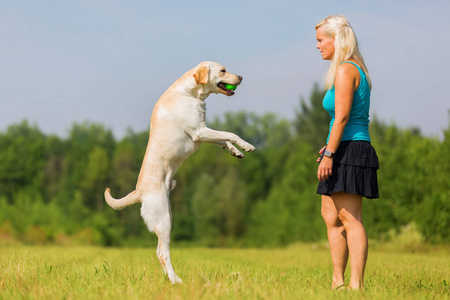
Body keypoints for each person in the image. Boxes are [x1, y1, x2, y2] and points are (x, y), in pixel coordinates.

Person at [315, 15, 379, 291]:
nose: (317, 46)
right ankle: (337, 282)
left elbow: (342, 119)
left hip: (351, 149)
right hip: (341, 146)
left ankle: (356, 286)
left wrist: (330, 153)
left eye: (320, 40)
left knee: (350, 218)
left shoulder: (346, 70)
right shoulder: (347, 69)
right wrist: (329, 146)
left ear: (335, 39)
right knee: (331, 216)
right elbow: (338, 121)